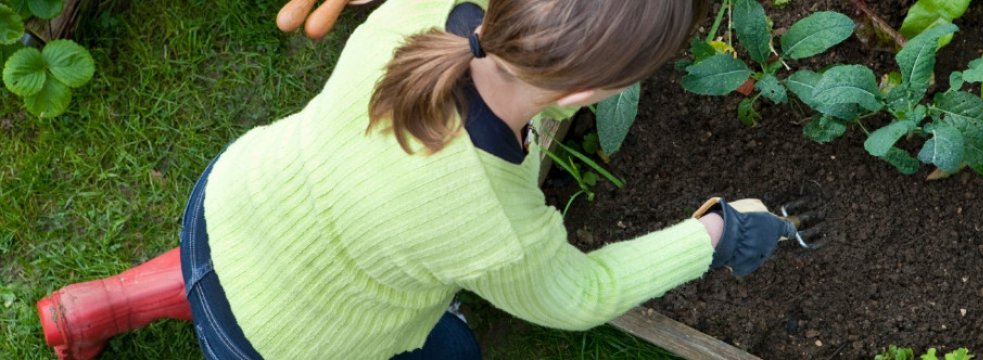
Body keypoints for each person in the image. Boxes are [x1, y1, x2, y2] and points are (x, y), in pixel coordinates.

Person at [36, 0, 803, 359]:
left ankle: (107, 304)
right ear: (578, 99)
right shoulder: (496, 225)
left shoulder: (429, 11)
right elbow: (582, 297)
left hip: (232, 199)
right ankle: (151, 309)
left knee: (233, 266)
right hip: (278, 341)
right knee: (452, 357)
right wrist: (716, 232)